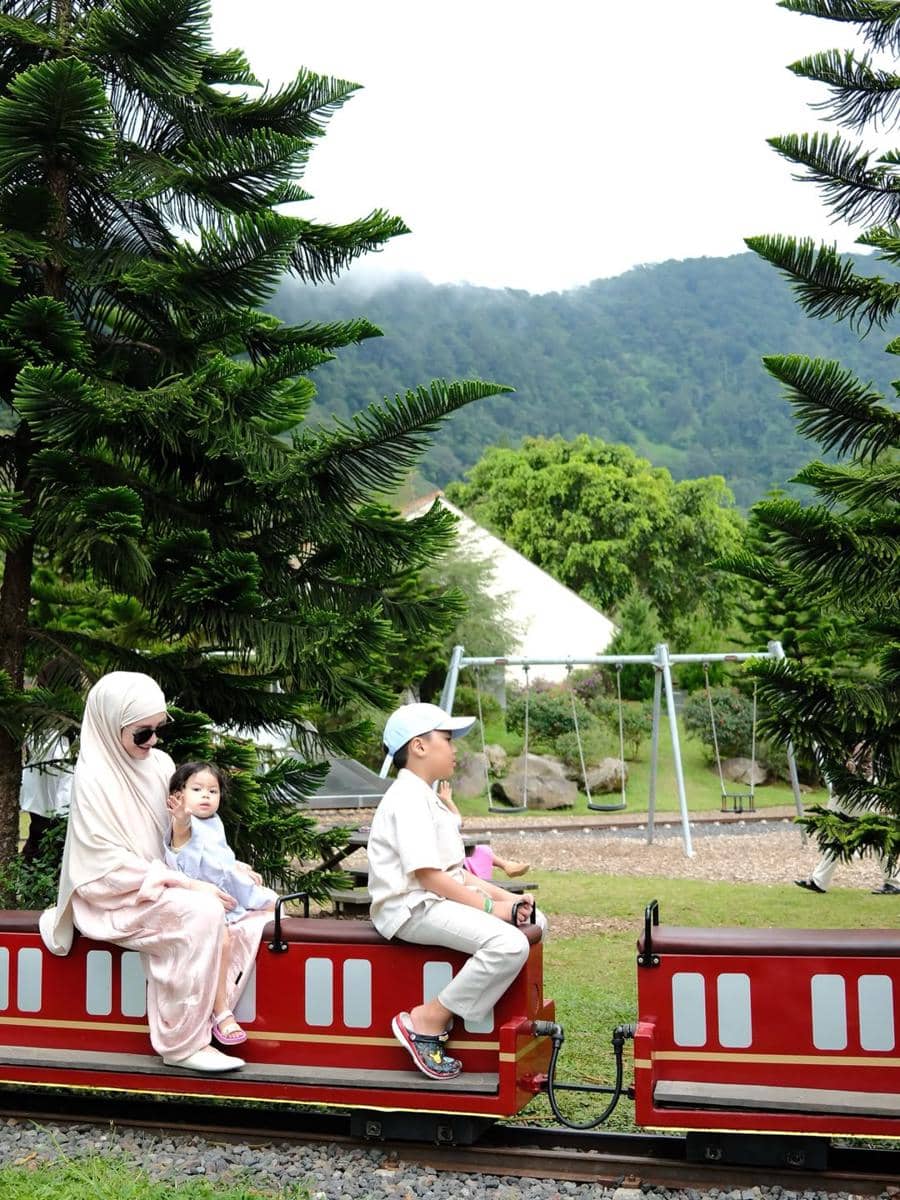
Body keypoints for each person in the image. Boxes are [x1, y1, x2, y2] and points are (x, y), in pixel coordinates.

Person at [39, 672, 273, 1073]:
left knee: (253, 903)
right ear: (112, 728)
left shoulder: (160, 763)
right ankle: (181, 1044)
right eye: (142, 733)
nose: (154, 742)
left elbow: (179, 834)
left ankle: (216, 1013)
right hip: (116, 893)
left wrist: (224, 867)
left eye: (158, 730)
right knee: (201, 913)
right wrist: (185, 883)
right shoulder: (94, 777)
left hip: (163, 875)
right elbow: (102, 864)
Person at [366, 702, 545, 1082]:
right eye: (447, 739)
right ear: (419, 746)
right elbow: (429, 877)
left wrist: (506, 899)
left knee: (535, 920)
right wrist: (490, 908)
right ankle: (427, 1020)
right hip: (410, 906)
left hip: (435, 898)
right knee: (508, 944)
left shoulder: (427, 797)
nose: (455, 748)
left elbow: (456, 873)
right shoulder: (408, 799)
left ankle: (501, 1020)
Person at [166, 761, 278, 1044]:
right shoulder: (185, 823)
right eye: (197, 789)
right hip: (198, 897)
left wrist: (238, 866)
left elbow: (218, 857)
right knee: (223, 941)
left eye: (212, 791)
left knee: (273, 908)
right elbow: (182, 844)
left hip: (227, 893)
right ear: (179, 795)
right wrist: (180, 818)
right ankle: (220, 1010)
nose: (206, 796)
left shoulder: (213, 823)